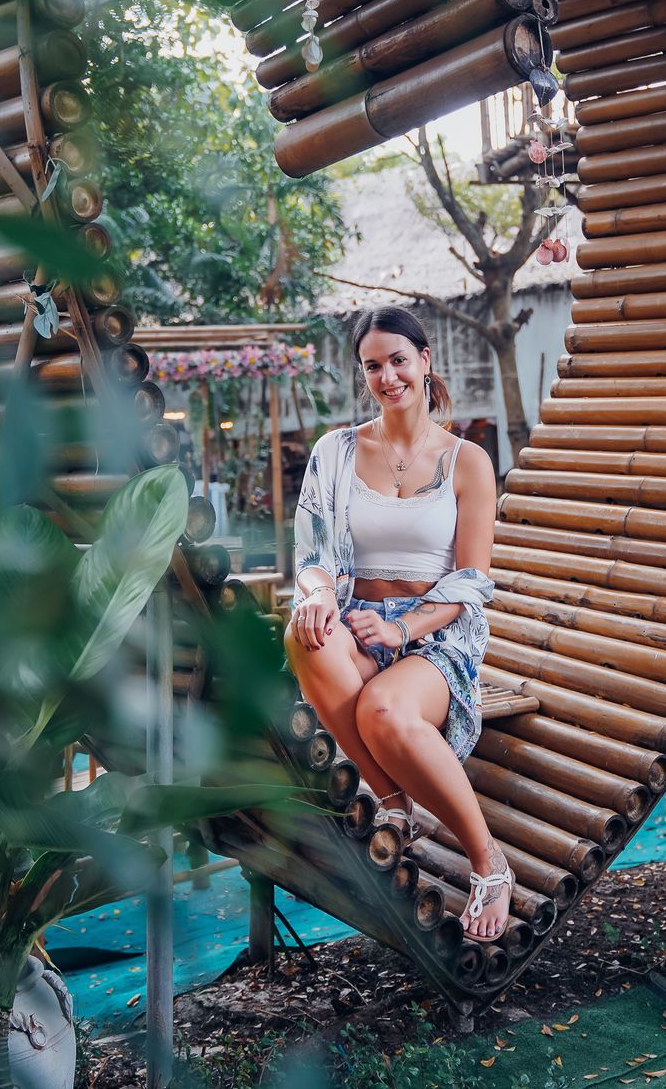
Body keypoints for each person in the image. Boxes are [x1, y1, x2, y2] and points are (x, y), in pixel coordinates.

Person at [283, 306, 513, 941]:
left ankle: (488, 861)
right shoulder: (336, 451)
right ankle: (394, 803)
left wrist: (404, 629)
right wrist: (317, 595)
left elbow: (471, 582)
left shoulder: (467, 461)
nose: (387, 377)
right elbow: (310, 554)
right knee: (304, 637)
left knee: (383, 711)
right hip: (358, 622)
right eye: (373, 366)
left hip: (436, 635)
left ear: (424, 361)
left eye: (398, 361)